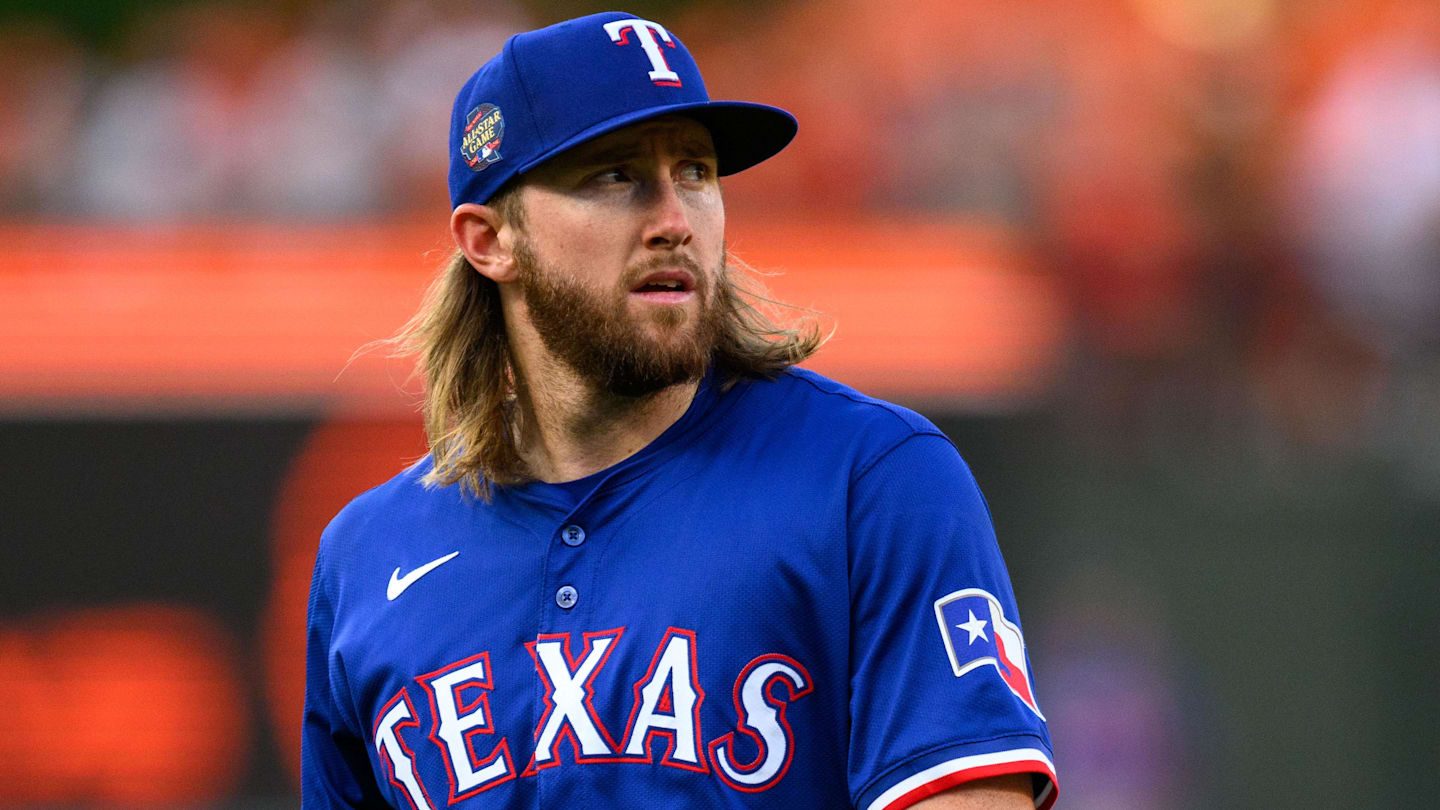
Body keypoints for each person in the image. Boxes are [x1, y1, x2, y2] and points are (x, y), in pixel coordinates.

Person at [302, 11, 1057, 810]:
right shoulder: (366, 556)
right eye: (614, 176)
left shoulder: (868, 478)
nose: (673, 222)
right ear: (490, 240)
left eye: (695, 171)